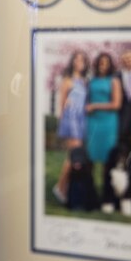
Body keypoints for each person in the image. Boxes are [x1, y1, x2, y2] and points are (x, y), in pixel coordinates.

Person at [85, 52, 121, 213]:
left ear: (110, 65)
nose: (103, 64)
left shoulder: (114, 80)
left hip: (108, 124)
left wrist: (95, 106)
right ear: (97, 64)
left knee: (108, 163)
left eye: (106, 62)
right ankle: (91, 199)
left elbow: (116, 104)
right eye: (100, 62)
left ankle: (108, 200)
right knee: (89, 162)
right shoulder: (91, 81)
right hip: (92, 124)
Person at [52, 51, 89, 205]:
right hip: (71, 119)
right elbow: (61, 104)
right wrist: (63, 122)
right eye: (77, 59)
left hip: (82, 119)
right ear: (73, 62)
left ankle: (65, 188)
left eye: (82, 59)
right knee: (73, 155)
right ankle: (60, 188)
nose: (79, 61)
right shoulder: (67, 80)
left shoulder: (85, 81)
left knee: (74, 156)